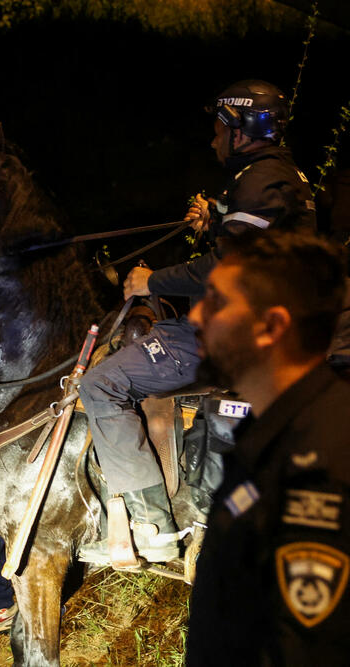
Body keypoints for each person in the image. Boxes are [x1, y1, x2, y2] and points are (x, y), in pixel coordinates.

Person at [78, 79, 317, 563]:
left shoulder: (259, 180)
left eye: (218, 129)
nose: (212, 140)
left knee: (100, 383)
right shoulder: (279, 176)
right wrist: (213, 220)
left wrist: (152, 281)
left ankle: (153, 525)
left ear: (241, 131)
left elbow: (231, 270)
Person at [185, 230, 350, 663]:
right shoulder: (274, 430)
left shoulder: (322, 466)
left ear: (271, 326)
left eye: (217, 302)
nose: (194, 316)